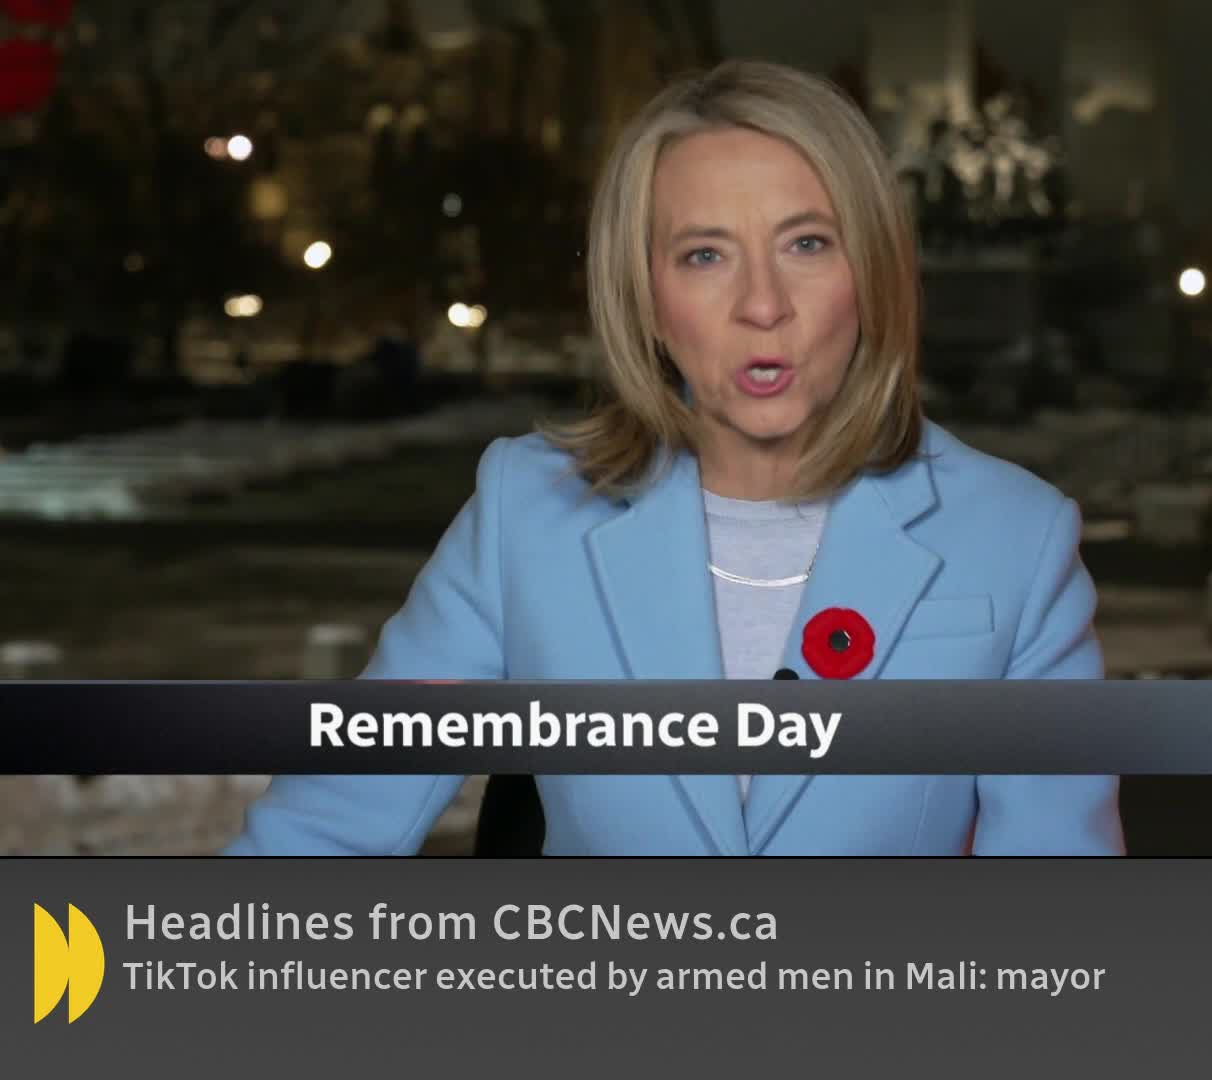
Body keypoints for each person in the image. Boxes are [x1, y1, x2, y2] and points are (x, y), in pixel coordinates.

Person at [224, 60, 1122, 856]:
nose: (763, 304)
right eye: (704, 256)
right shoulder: (524, 516)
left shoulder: (1015, 537)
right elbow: (325, 827)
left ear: (875, 270)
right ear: (646, 300)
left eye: (806, 244)